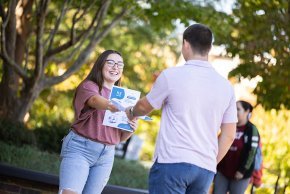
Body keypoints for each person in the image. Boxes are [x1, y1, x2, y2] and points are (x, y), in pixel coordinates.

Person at [125, 23, 237, 194]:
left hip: (172, 162)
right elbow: (229, 135)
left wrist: (131, 112)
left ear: (185, 44)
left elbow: (144, 106)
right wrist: (210, 162)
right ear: (209, 47)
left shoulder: (171, 75)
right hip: (205, 169)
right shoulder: (226, 87)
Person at [59, 50, 138, 194]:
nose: (116, 67)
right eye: (111, 62)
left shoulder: (125, 97)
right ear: (100, 65)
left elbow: (119, 138)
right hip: (80, 148)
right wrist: (113, 106)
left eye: (120, 64)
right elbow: (95, 100)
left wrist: (131, 128)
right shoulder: (89, 86)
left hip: (107, 155)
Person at [213, 100, 260, 194]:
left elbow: (252, 152)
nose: (235, 112)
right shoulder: (228, 126)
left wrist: (242, 170)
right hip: (222, 171)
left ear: (247, 112)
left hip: (240, 175)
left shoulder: (252, 129)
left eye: (238, 109)